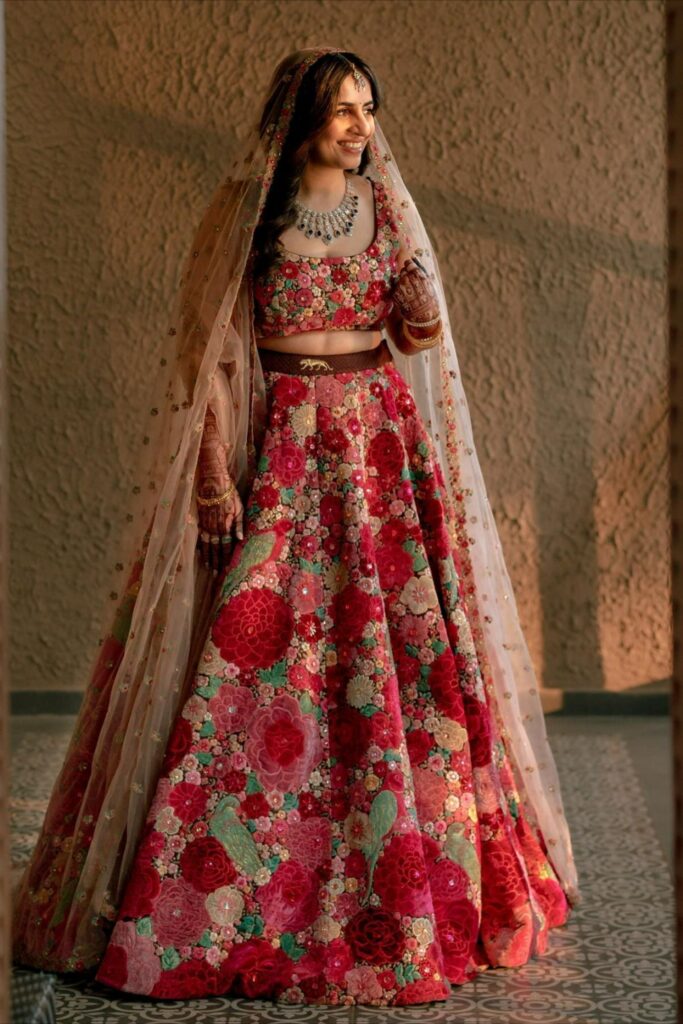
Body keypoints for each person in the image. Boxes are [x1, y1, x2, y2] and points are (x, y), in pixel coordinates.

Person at [12, 47, 580, 1007]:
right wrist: (210, 476)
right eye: (342, 109)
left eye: (369, 109)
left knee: (391, 667)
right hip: (280, 451)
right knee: (258, 665)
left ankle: (396, 872)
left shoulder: (386, 213)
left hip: (377, 453)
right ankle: (236, 887)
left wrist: (422, 306)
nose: (361, 126)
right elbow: (209, 362)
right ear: (298, 117)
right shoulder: (248, 216)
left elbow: (415, 342)